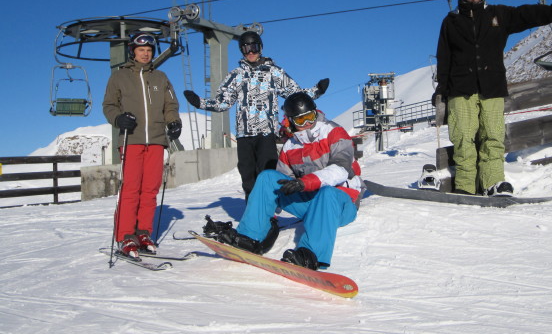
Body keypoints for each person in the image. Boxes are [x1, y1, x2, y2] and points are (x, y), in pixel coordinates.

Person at [433, 0, 552, 196]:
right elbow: (444, 57)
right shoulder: (451, 21)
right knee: (463, 139)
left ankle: (493, 183)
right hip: (460, 89)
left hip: (492, 88)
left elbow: (530, 14)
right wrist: (441, 89)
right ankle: (465, 187)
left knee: (493, 138)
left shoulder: (499, 15)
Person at [203, 92, 363, 270]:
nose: (307, 124)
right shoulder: (290, 146)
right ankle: (250, 237)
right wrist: (271, 217)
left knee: (327, 193)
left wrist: (306, 182)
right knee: (267, 178)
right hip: (311, 203)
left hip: (341, 203)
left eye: (310, 117)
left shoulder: (335, 132)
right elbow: (280, 186)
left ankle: (311, 255)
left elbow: (341, 169)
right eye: (300, 121)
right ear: (291, 121)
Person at [183, 31, 329, 198]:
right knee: (248, 177)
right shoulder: (236, 75)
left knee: (268, 174)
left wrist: (317, 90)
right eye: (245, 48)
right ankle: (253, 216)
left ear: (260, 47)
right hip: (244, 135)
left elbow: (295, 94)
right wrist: (200, 102)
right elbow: (224, 102)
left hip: (266, 134)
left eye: (253, 47)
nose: (250, 52)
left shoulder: (274, 73)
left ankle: (270, 217)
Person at [103, 32, 182, 258]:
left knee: (150, 189)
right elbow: (109, 105)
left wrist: (173, 122)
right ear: (133, 51)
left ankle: (143, 232)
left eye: (149, 50)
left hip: (156, 140)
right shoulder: (119, 77)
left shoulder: (160, 77)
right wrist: (118, 118)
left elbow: (170, 104)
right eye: (141, 50)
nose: (145, 54)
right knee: (130, 189)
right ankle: (125, 236)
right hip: (132, 139)